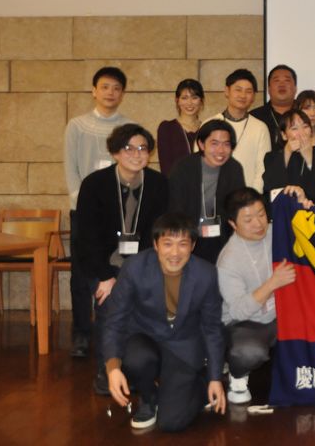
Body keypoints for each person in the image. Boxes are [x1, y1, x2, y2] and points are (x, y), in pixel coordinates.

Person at [102, 212, 226, 432]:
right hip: (145, 339)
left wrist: (215, 378)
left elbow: (212, 328)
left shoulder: (206, 274)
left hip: (183, 348)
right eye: (168, 244)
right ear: (155, 244)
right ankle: (148, 398)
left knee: (172, 422)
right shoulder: (134, 268)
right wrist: (112, 368)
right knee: (136, 359)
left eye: (183, 244)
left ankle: (199, 382)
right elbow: (115, 320)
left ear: (193, 246)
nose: (175, 253)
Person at [73, 123, 169, 394]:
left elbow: (160, 233)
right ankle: (108, 370)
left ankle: (143, 369)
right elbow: (86, 238)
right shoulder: (94, 184)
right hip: (104, 265)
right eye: (129, 148)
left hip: (145, 264)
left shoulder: (159, 184)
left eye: (143, 148)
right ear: (115, 152)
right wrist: (106, 276)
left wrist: (139, 273)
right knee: (110, 304)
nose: (137, 154)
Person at [64, 66, 131, 358]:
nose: (110, 93)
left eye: (116, 88)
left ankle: (117, 332)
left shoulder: (130, 126)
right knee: (81, 275)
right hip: (84, 213)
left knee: (117, 271)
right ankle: (81, 334)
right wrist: (84, 205)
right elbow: (71, 170)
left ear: (122, 93)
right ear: (94, 91)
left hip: (119, 214)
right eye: (105, 87)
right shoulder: (77, 126)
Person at [217, 188, 296, 405]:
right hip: (247, 323)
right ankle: (237, 375)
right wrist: (272, 284)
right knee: (248, 352)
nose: (259, 224)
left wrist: (302, 200)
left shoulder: (275, 232)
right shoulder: (228, 260)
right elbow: (238, 311)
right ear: (233, 224)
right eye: (248, 220)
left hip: (282, 313)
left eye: (261, 214)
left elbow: (306, 224)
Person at [168, 120, 246, 264]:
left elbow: (238, 207)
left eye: (226, 144)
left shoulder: (234, 168)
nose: (221, 150)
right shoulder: (183, 168)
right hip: (190, 238)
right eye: (214, 143)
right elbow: (175, 209)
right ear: (202, 144)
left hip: (222, 239)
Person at [203, 69, 271, 192]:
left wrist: (251, 198)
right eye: (238, 90)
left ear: (253, 96)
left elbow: (263, 169)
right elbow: (200, 163)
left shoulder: (260, 128)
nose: (243, 95)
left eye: (248, 91)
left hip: (248, 197)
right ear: (227, 91)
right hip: (213, 195)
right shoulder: (209, 125)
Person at [262, 109, 315, 205]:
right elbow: (271, 187)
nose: (302, 132)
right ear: (284, 135)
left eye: (305, 127)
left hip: (311, 211)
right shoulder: (271, 157)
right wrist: (287, 152)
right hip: (284, 211)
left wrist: (309, 159)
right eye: (294, 128)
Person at [157, 79, 204, 177]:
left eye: (194, 97)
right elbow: (166, 168)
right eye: (184, 98)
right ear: (177, 100)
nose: (189, 103)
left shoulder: (207, 128)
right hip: (175, 184)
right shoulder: (167, 128)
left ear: (201, 100)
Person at [251, 64, 298, 148]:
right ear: (269, 89)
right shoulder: (254, 117)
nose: (282, 84)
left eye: (287, 80)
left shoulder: (305, 113)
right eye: (276, 81)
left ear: (295, 88)